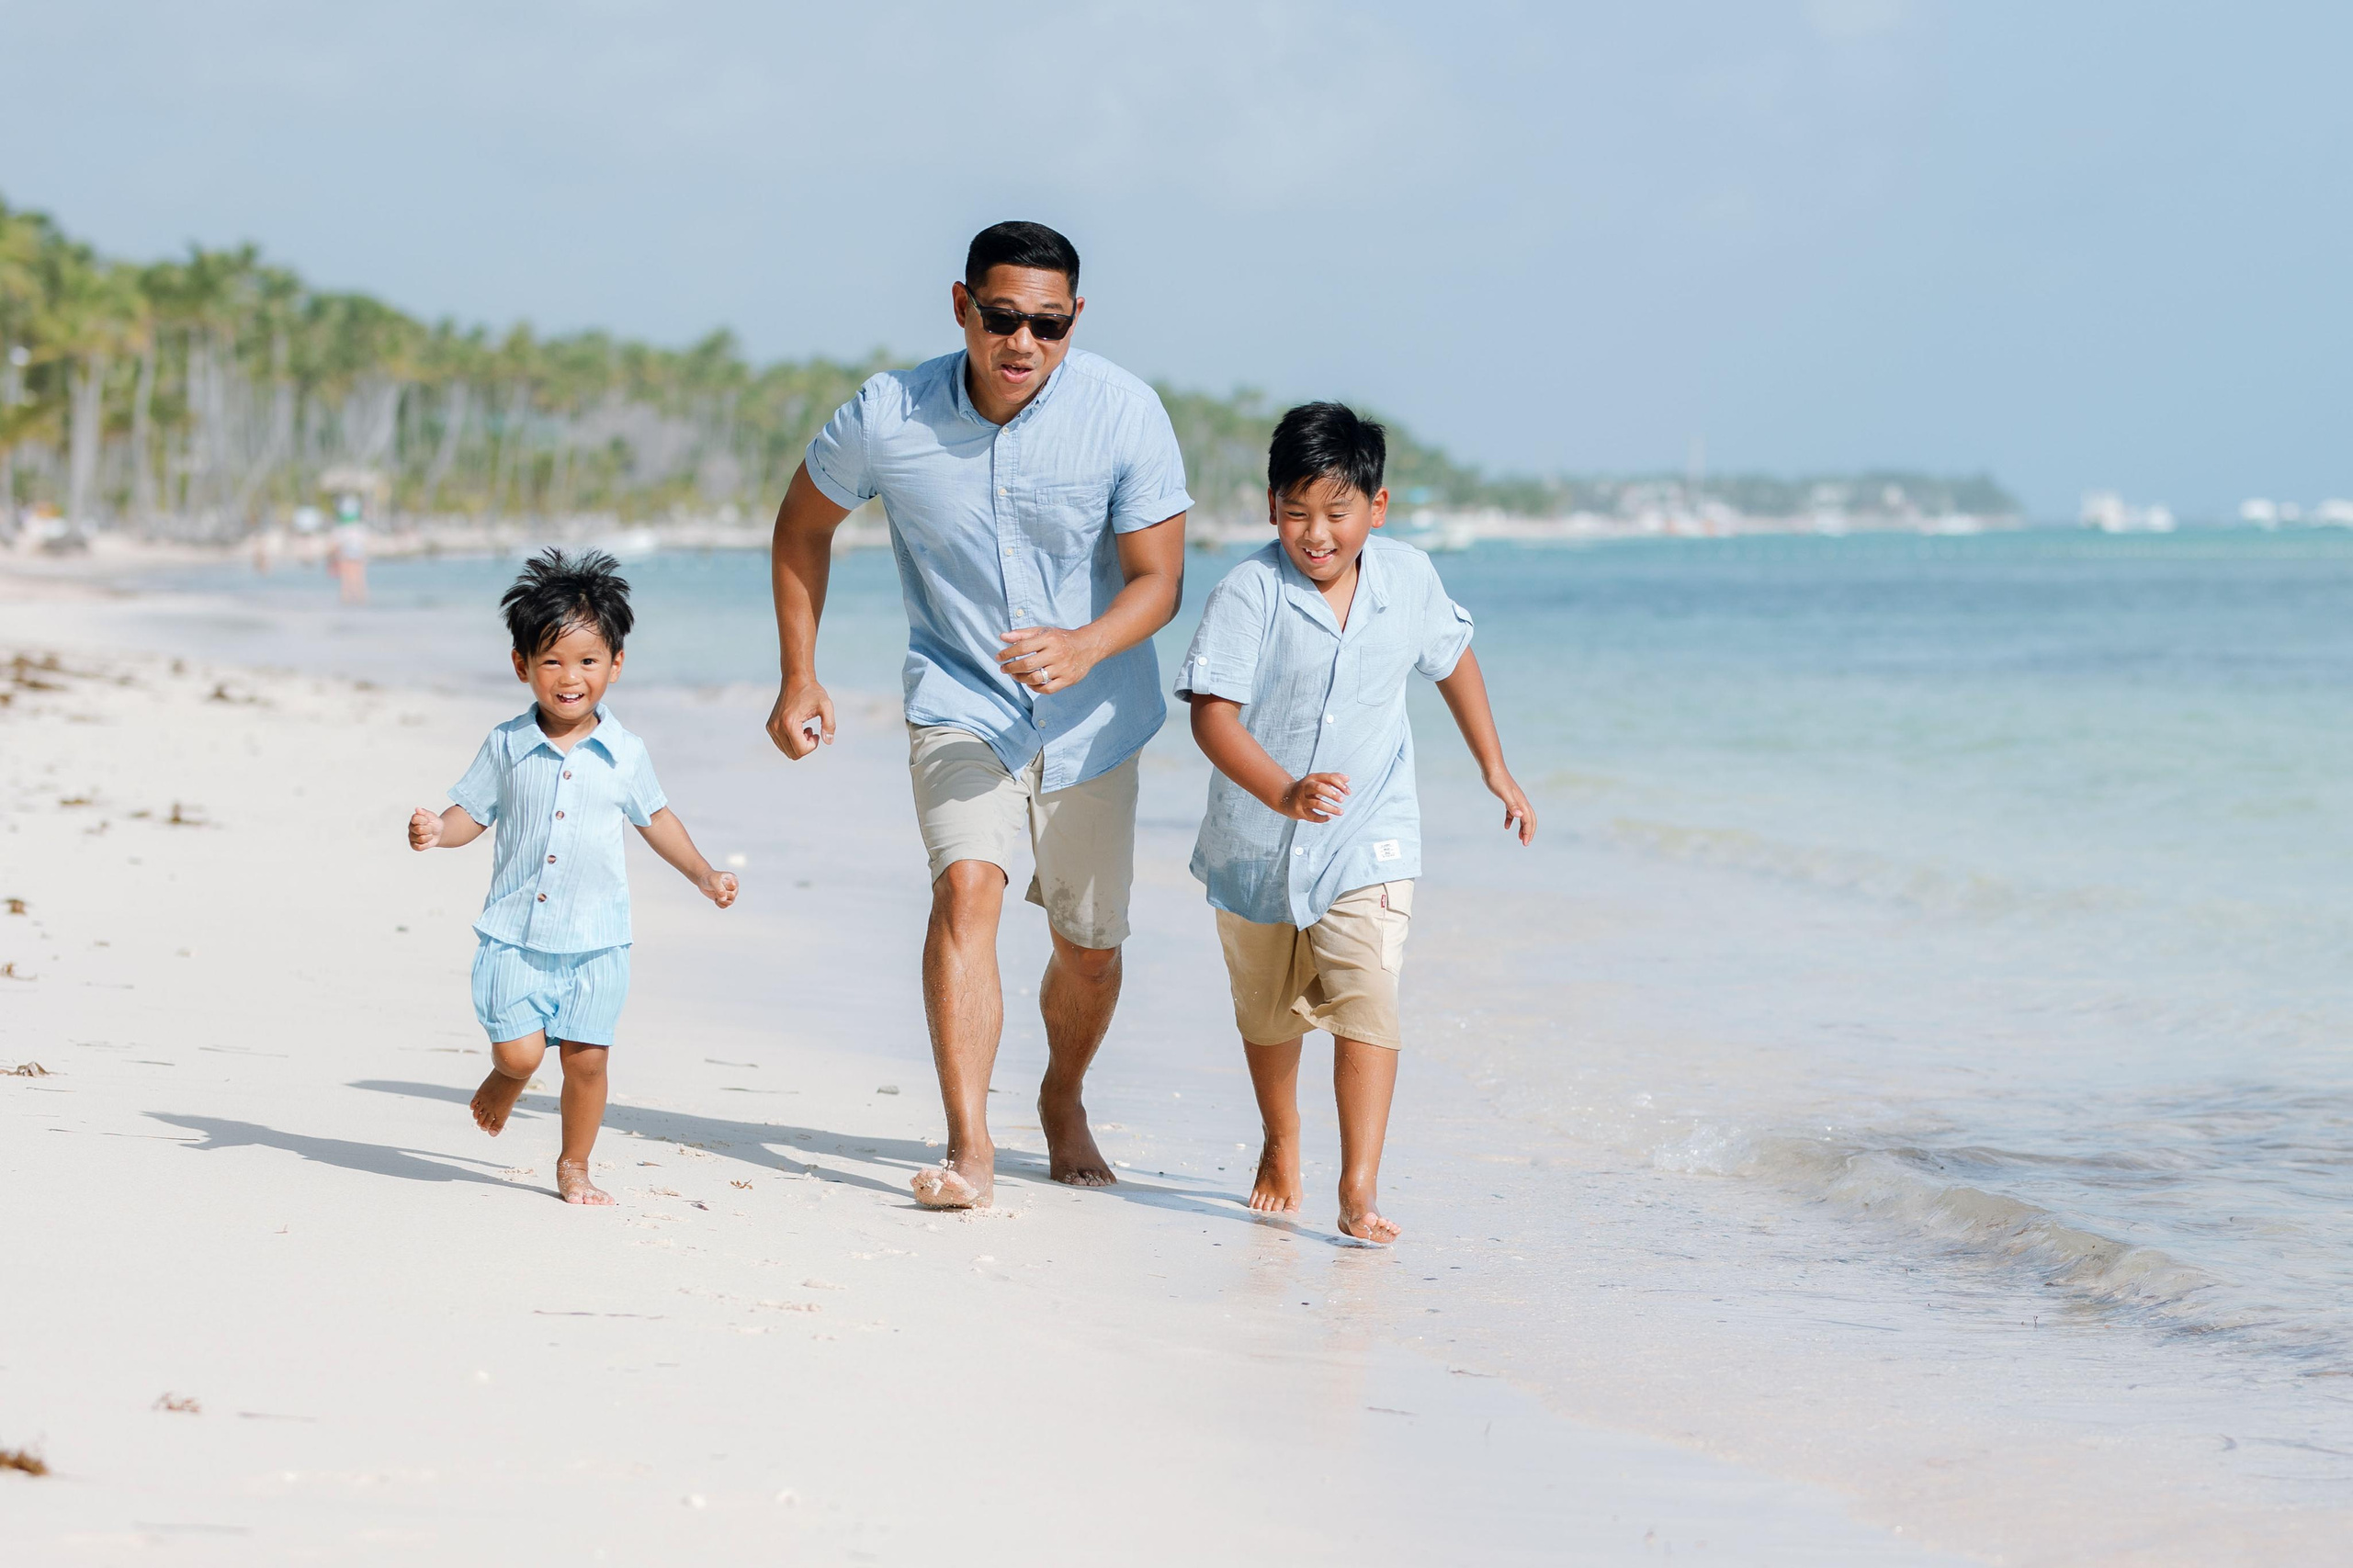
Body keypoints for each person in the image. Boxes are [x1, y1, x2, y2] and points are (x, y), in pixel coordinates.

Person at [764, 220, 1192, 1210]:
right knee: (967, 891)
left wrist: (1082, 645)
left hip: (1094, 718)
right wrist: (799, 675)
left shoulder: (1124, 413)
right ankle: (969, 1147)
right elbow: (801, 527)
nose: (1021, 345)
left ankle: (1062, 1092)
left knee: (1087, 951)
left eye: (1046, 325)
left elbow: (1157, 582)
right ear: (961, 306)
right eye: (1000, 319)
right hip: (960, 700)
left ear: (1073, 320)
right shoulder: (887, 415)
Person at [1177, 403, 1535, 1244]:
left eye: (1335, 513)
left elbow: (1451, 660)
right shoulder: (1247, 593)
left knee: (1367, 992)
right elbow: (1211, 717)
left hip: (1371, 831)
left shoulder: (1408, 579)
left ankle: (1359, 1186)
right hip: (1257, 839)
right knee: (1267, 1012)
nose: (1315, 534)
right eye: (1296, 512)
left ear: (1376, 507)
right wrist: (1281, 790)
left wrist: (1494, 766)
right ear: (1271, 506)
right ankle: (1279, 1140)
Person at [409, 549, 739, 1205]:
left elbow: (656, 818)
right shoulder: (505, 745)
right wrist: (437, 831)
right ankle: (506, 1075)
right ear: (521, 665)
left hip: (597, 938)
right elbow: (470, 813)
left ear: (615, 664)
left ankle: (575, 1166)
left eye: (587, 661)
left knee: (587, 1060)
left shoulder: (626, 752)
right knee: (524, 1054)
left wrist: (702, 872)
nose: (569, 677)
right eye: (552, 660)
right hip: (513, 935)